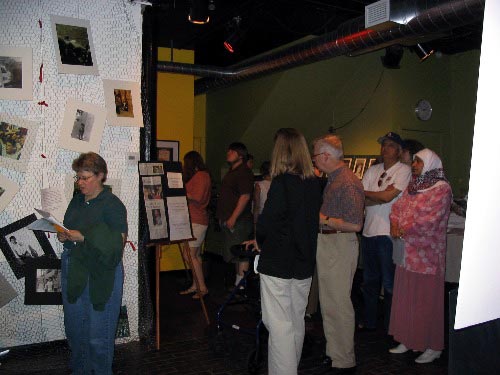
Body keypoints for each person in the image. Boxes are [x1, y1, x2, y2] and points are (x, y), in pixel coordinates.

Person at [244, 128, 322, 374]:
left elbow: (268, 223)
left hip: (278, 261)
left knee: (278, 325)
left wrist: (260, 241)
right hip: (304, 261)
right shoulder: (314, 183)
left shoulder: (281, 183)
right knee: (295, 320)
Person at [57, 152, 127, 375]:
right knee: (76, 332)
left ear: (101, 176)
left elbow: (118, 243)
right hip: (75, 269)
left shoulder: (113, 205)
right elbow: (70, 228)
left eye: (85, 178)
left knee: (99, 335)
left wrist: (84, 237)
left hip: (102, 273)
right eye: (78, 177)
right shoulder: (77, 200)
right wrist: (64, 236)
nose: (80, 183)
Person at [388, 148, 452, 364]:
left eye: (418, 162)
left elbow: (429, 219)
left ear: (431, 164)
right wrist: (395, 223)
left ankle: (433, 346)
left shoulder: (441, 189)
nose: (414, 165)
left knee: (427, 302)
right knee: (407, 299)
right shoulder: (413, 186)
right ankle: (408, 338)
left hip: (427, 257)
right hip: (407, 253)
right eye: (414, 161)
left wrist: (402, 228)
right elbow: (397, 207)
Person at [312, 134, 364, 374]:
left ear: (326, 156)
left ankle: (344, 360)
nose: (314, 161)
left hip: (339, 244)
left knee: (339, 303)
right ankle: (335, 353)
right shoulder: (334, 179)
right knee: (330, 303)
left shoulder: (347, 182)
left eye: (315, 156)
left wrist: (323, 219)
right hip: (330, 242)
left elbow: (355, 224)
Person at [359, 132, 411, 332]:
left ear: (398, 150)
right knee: (370, 281)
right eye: (383, 145)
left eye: (390, 145)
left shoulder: (403, 171)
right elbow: (362, 198)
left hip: (388, 234)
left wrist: (378, 196)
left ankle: (392, 325)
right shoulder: (373, 170)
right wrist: (379, 196)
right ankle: (370, 321)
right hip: (369, 232)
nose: (384, 148)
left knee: (390, 283)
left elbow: (388, 196)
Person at [216, 142, 254, 289]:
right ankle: (239, 284)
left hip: (239, 221)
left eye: (232, 151)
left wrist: (233, 217)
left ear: (240, 155)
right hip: (229, 220)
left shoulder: (244, 172)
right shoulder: (232, 171)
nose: (228, 153)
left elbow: (244, 196)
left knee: (241, 253)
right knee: (234, 253)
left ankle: (241, 286)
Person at [179, 151, 211, 299]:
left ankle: (202, 287)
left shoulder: (200, 176)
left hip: (197, 220)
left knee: (189, 254)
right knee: (195, 255)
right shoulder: (203, 175)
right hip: (196, 219)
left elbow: (197, 197)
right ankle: (196, 285)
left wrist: (180, 192)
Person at [252, 161, 271, 232]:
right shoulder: (278, 184)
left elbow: (256, 205)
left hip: (262, 216)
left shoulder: (258, 185)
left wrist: (255, 223)